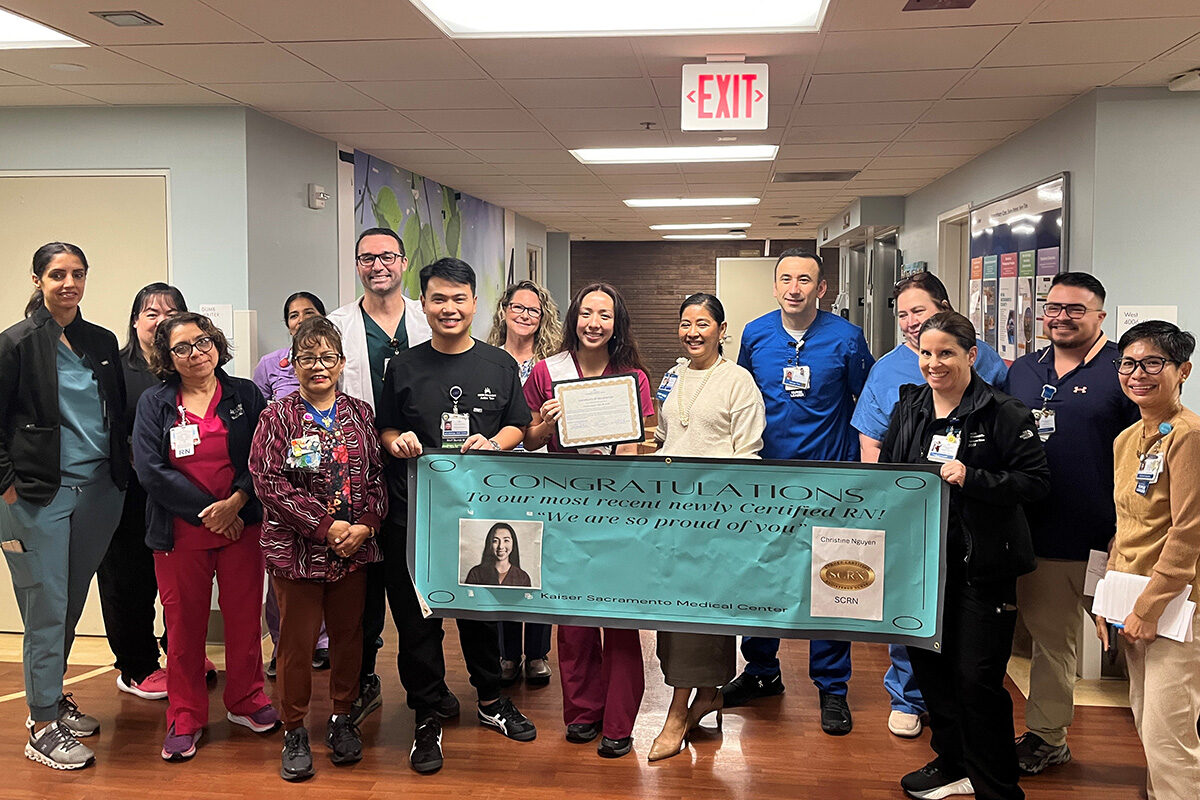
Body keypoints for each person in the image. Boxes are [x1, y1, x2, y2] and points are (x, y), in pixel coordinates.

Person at [376, 257, 536, 774]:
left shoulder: (498, 365)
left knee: (479, 613)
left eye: (458, 298)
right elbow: (384, 428)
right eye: (438, 299)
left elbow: (518, 425)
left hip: (478, 519)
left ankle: (490, 701)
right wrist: (395, 440)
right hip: (413, 518)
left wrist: (492, 441)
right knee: (418, 623)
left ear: (474, 303)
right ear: (424, 304)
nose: (449, 308)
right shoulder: (402, 365)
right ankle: (427, 713)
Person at [880, 311, 1050, 800]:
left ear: (971, 355)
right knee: (932, 674)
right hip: (918, 567)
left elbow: (1036, 484)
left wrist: (972, 477)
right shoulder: (909, 407)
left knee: (976, 680)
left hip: (981, 569)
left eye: (946, 353)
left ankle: (997, 787)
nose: (934, 363)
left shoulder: (1003, 412)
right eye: (926, 354)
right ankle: (952, 761)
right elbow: (891, 474)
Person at [725, 248, 874, 736]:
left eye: (804, 280)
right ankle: (762, 672)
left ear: (821, 288)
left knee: (833, 582)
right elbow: (744, 395)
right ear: (775, 286)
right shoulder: (756, 334)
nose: (794, 288)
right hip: (766, 479)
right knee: (761, 577)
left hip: (829, 480)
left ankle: (833, 688)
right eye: (786, 279)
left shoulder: (847, 338)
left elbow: (864, 405)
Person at [852, 271, 1006, 738]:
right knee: (911, 601)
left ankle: (959, 708)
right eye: (901, 315)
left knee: (964, 616)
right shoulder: (888, 370)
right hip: (912, 513)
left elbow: (1005, 440)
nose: (910, 323)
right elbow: (871, 441)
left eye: (918, 311)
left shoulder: (990, 363)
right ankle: (907, 695)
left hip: (971, 509)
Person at [0, 242, 129, 770]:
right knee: (45, 610)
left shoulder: (99, 340)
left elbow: (115, 412)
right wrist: (7, 487)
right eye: (57, 274)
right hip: (36, 497)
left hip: (99, 491)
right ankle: (41, 724)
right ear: (37, 280)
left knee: (71, 603)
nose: (68, 283)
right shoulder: (16, 344)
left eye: (77, 273)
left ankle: (53, 698)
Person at [1005, 273, 1138, 774]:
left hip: (1115, 541)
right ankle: (1047, 736)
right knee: (1051, 644)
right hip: (1044, 538)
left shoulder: (1124, 369)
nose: (1060, 316)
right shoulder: (1023, 369)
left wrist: (1130, 529)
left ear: (1100, 315)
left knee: (1142, 648)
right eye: (1053, 307)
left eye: (1075, 309)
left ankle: (1171, 740)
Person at [134, 312, 279, 762]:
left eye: (203, 342)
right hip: (180, 532)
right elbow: (149, 469)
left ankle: (247, 699)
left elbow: (264, 454)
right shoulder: (155, 402)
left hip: (241, 526)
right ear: (167, 356)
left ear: (216, 344)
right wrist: (210, 513)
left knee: (241, 620)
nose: (195, 353)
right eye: (182, 347)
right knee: (184, 629)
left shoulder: (245, 394)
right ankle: (185, 715)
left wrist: (235, 503)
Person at [249, 317, 386, 782]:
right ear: (293, 363)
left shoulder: (360, 414)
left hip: (354, 551)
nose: (319, 367)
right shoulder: (277, 416)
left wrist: (366, 524)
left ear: (342, 363)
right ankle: (294, 728)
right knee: (296, 644)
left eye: (328, 358)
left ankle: (343, 718)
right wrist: (326, 526)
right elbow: (269, 483)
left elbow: (376, 479)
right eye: (308, 358)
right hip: (298, 553)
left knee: (350, 638)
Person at [524, 282, 656, 759]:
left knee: (620, 619)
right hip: (565, 512)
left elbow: (635, 448)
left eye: (604, 314)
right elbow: (531, 439)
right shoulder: (546, 371)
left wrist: (619, 451)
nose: (594, 323)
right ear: (573, 319)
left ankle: (620, 722)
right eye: (586, 313)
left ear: (617, 322)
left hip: (618, 510)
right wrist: (545, 421)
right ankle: (582, 713)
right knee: (574, 619)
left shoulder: (633, 378)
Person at [647, 293, 765, 762]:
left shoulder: (739, 381)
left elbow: (749, 454)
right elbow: (663, 438)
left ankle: (678, 712)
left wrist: (711, 499)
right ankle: (709, 696)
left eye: (702, 323)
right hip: (671, 519)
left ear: (721, 329)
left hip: (717, 523)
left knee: (701, 617)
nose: (692, 331)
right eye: (685, 323)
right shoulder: (673, 377)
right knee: (672, 616)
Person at [327, 227, 431, 726]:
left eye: (387, 256)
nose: (378, 265)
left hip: (421, 470)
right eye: (367, 258)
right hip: (355, 472)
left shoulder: (428, 318)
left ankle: (424, 689)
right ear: (357, 265)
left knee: (414, 589)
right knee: (360, 593)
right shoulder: (336, 325)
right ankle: (361, 682)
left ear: (404, 261)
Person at [1096, 320, 1200, 800]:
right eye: (1129, 363)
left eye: (1153, 363)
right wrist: (1107, 601)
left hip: (1174, 608)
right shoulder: (1126, 439)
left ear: (1183, 371)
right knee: (1145, 718)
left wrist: (1147, 608)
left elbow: (1187, 533)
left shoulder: (1190, 436)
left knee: (1168, 735)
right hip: (1131, 600)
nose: (1138, 373)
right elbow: (1125, 528)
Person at [97, 283, 190, 702]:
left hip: (179, 496)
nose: (160, 320)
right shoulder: (114, 368)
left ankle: (180, 654)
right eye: (151, 312)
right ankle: (136, 667)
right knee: (128, 582)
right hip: (128, 497)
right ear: (135, 320)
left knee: (179, 580)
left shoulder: (187, 368)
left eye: (171, 312)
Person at [486, 280, 562, 687]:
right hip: (495, 473)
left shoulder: (552, 363)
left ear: (542, 317)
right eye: (517, 307)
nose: (524, 315)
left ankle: (536, 653)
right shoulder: (484, 359)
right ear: (503, 311)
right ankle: (506, 654)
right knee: (500, 556)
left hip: (542, 471)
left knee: (535, 561)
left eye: (533, 310)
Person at [253, 290, 330, 677]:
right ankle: (282, 644)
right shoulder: (270, 365)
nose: (300, 319)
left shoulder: (332, 360)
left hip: (330, 484)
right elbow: (257, 416)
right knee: (283, 571)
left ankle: (322, 643)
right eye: (293, 315)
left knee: (327, 570)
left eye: (309, 312)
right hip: (285, 484)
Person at [465, 522, 532, 587]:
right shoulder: (476, 573)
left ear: (513, 543)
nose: (500, 546)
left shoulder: (523, 577)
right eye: (495, 541)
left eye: (506, 540)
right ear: (489, 544)